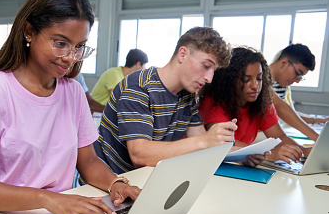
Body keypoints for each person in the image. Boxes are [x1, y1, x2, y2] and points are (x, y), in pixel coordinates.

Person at [0, 0, 140, 214]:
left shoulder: (74, 93)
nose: (70, 57)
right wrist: (49, 199)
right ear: (29, 32)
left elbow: (88, 161)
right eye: (60, 43)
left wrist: (116, 184)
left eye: (79, 46)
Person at [93, 27, 235, 175]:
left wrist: (243, 155)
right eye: (206, 66)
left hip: (148, 179)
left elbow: (202, 141)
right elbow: (139, 155)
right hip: (110, 182)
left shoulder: (187, 95)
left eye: (213, 70)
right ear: (182, 54)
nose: (209, 78)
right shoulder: (139, 86)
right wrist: (205, 141)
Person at [199, 47, 310, 167]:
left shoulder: (261, 101)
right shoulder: (214, 101)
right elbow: (224, 143)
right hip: (207, 165)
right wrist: (269, 154)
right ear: (230, 80)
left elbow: (279, 136)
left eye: (259, 78)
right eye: (246, 80)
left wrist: (303, 151)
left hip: (234, 166)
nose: (255, 86)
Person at [268, 44, 328, 141]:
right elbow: (280, 107)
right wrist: (317, 138)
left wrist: (321, 121)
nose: (297, 81)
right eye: (297, 74)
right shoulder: (259, 77)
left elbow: (291, 113)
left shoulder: (282, 84)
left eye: (300, 77)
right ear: (284, 63)